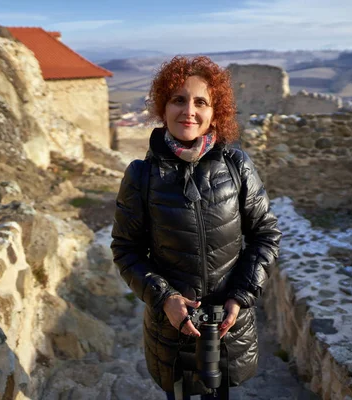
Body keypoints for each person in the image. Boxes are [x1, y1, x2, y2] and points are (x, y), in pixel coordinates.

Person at [111, 56, 282, 400]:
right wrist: (166, 298)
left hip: (229, 327)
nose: (189, 110)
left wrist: (240, 295)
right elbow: (126, 250)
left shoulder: (236, 165)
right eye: (178, 99)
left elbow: (265, 234)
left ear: (215, 112)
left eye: (200, 101)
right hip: (171, 330)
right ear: (163, 107)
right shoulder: (142, 176)